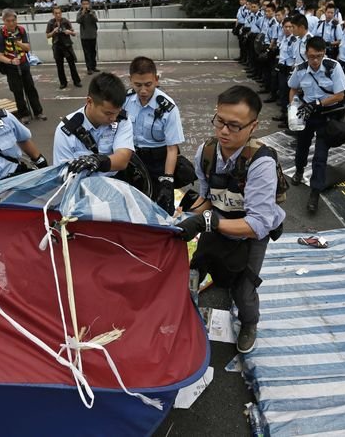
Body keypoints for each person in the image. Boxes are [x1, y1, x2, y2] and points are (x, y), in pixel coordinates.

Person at [175, 85, 285, 353]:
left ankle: (249, 323)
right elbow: (207, 199)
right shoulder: (207, 152)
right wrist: (181, 215)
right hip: (218, 219)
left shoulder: (261, 163)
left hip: (251, 231)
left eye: (234, 126)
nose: (224, 131)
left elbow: (257, 225)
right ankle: (186, 319)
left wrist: (207, 222)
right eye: (220, 122)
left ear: (253, 126)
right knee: (192, 271)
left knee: (243, 290)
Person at [288, 36, 345, 213]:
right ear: (306, 54)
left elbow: (340, 95)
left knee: (320, 156)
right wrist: (293, 108)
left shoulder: (333, 67)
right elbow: (292, 88)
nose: (315, 61)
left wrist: (318, 104)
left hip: (326, 115)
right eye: (311, 56)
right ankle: (299, 171)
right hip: (307, 114)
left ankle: (315, 192)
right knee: (302, 147)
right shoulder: (300, 69)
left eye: (319, 56)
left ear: (324, 53)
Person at [123, 57, 185, 214]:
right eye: (138, 85)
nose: (143, 90)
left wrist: (167, 179)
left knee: (162, 209)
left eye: (148, 84)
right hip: (132, 159)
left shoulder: (168, 108)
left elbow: (172, 149)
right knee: (131, 207)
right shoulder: (125, 100)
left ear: (156, 80)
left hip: (159, 161)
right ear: (130, 80)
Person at [53, 72, 134, 177]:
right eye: (107, 113)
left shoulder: (122, 121)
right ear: (89, 102)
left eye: (117, 112)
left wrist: (98, 161)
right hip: (80, 186)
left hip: (115, 184)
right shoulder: (66, 130)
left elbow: (123, 159)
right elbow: (62, 173)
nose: (113, 118)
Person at [0, 9, 46, 124]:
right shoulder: (0, 35)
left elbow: (27, 48)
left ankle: (38, 111)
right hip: (11, 67)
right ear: (4, 21)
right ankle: (24, 114)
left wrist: (17, 42)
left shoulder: (21, 30)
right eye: (8, 21)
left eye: (13, 20)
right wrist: (11, 61)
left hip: (24, 64)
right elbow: (0, 56)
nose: (12, 23)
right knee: (17, 91)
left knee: (31, 89)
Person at [46, 7, 82, 89]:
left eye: (59, 13)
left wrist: (69, 32)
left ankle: (77, 81)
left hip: (66, 45)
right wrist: (53, 31)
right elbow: (47, 35)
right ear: (53, 14)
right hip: (57, 45)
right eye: (56, 13)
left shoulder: (65, 21)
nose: (58, 15)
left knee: (72, 64)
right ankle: (63, 82)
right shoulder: (51, 23)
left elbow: (73, 33)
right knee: (59, 66)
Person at [76, 0, 100, 75]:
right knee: (87, 53)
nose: (85, 5)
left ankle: (94, 66)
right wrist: (83, 13)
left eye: (86, 3)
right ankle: (89, 68)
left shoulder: (92, 12)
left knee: (93, 52)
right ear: (81, 5)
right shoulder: (80, 12)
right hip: (84, 36)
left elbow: (96, 20)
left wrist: (91, 14)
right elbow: (78, 21)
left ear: (89, 4)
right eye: (83, 4)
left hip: (92, 35)